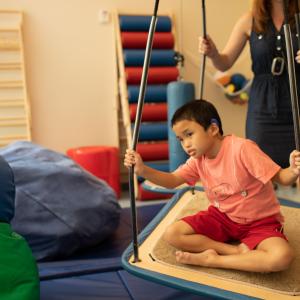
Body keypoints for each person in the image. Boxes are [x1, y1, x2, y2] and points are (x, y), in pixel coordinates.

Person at [124, 99, 300, 273]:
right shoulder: (197, 160)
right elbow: (172, 180)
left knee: (282, 257)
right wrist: (143, 170)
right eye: (180, 139)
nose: (185, 144)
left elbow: (282, 178)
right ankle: (234, 251)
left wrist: (293, 170)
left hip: (260, 223)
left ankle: (214, 260)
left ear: (213, 129)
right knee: (173, 233)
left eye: (189, 134)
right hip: (223, 217)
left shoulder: (242, 149)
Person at [199, 0, 300, 170]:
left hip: (296, 103)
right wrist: (213, 53)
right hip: (262, 108)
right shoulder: (250, 19)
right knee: (259, 167)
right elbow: (224, 63)